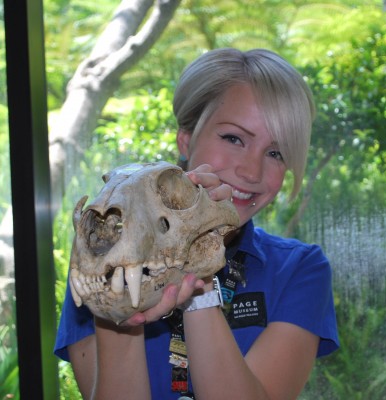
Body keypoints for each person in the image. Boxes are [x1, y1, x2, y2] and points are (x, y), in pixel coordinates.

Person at [54, 48, 339, 400]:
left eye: (276, 153)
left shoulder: (300, 269)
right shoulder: (110, 255)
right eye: (234, 138)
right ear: (186, 138)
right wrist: (119, 307)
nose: (251, 171)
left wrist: (199, 276)